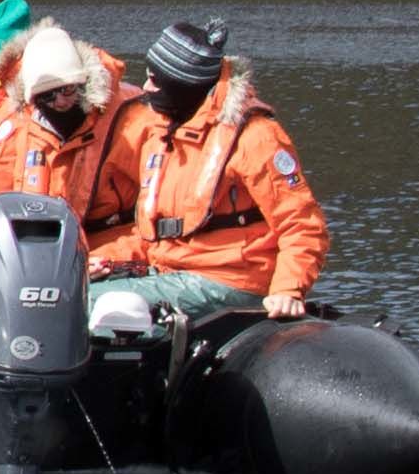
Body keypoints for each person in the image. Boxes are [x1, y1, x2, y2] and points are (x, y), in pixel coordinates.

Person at [102, 20, 330, 317]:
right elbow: (155, 233)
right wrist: (103, 259)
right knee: (65, 292)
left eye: (155, 80)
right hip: (172, 270)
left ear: (183, 85)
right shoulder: (162, 131)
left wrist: (288, 290)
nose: (146, 88)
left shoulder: (255, 136)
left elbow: (301, 224)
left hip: (231, 280)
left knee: (86, 304)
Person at [0, 19, 136, 242]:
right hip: (37, 244)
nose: (60, 101)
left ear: (82, 83)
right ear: (32, 98)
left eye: (67, 89)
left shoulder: (123, 118)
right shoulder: (19, 123)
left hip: (106, 242)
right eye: (48, 95)